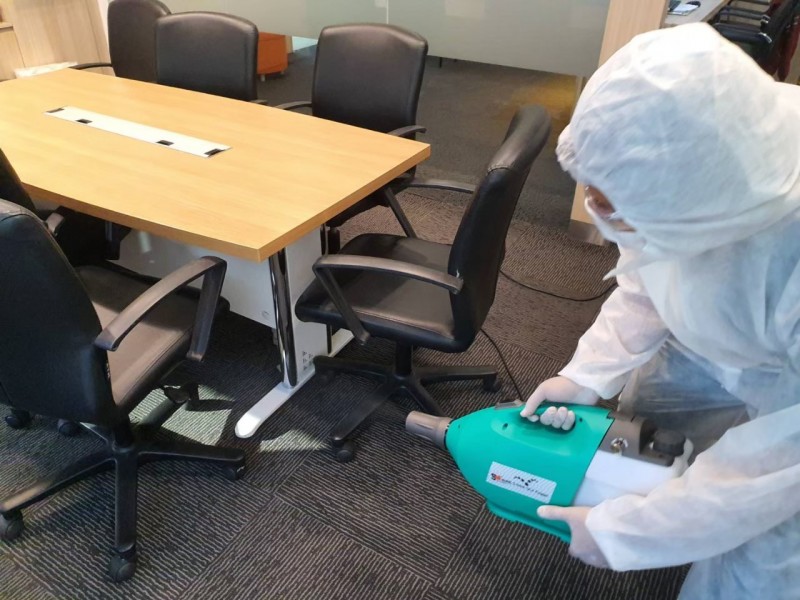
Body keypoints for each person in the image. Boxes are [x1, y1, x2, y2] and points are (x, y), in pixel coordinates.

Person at [519, 23, 800, 599]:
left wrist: (629, 534)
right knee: (646, 435)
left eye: (609, 202)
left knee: (763, 554)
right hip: (703, 344)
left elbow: (783, 461)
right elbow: (652, 268)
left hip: (787, 388)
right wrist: (587, 373)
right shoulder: (693, 164)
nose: (595, 210)